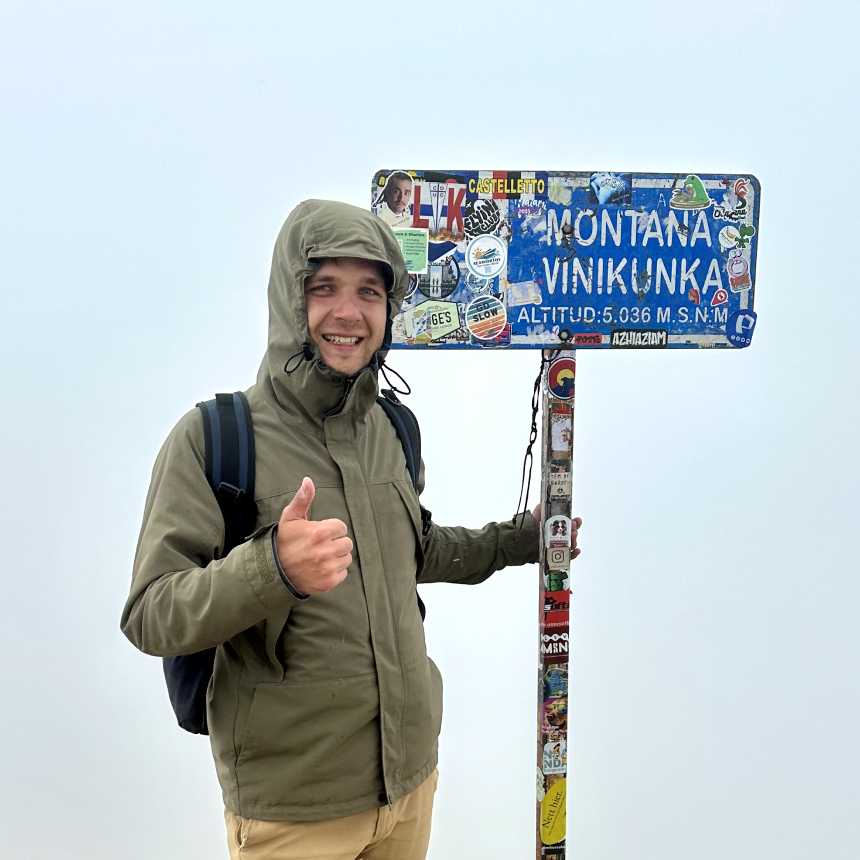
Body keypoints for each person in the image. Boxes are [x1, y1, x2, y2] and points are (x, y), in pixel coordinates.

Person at [121, 199, 579, 859]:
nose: (348, 311)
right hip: (295, 812)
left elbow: (413, 550)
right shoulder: (215, 439)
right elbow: (150, 613)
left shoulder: (391, 429)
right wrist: (271, 567)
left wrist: (517, 541)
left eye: (369, 290)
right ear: (288, 299)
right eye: (324, 287)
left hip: (409, 784)